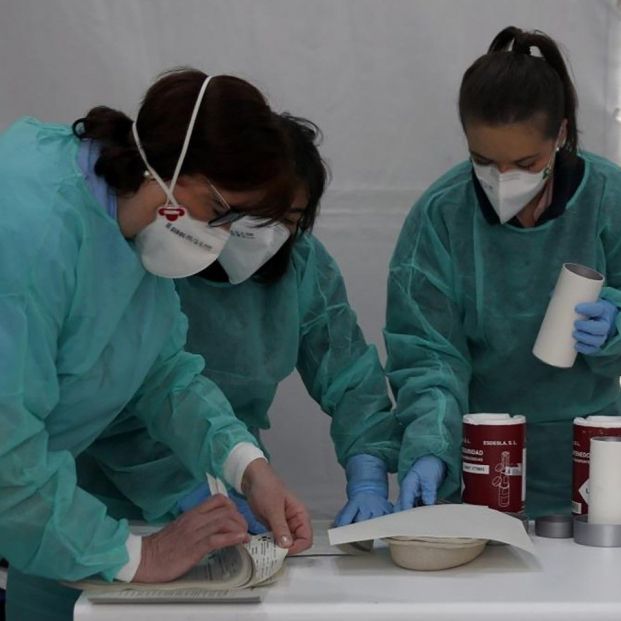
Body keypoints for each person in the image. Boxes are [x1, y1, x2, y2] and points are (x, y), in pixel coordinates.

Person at [0, 68, 312, 621]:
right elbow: (5, 447)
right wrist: (135, 556)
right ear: (166, 167)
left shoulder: (135, 234)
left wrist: (247, 465)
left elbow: (164, 374)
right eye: (220, 212)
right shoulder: (30, 229)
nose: (220, 236)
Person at [75, 113, 402, 531]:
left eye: (288, 219)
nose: (269, 234)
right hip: (103, 505)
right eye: (258, 214)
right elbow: (118, 403)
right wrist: (188, 494)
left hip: (235, 473)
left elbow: (350, 374)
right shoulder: (153, 257)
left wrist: (368, 474)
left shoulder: (300, 266)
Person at [386, 26, 621, 517]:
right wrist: (430, 445)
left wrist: (617, 325)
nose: (503, 181)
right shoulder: (442, 215)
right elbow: (428, 354)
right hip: (482, 458)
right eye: (483, 161)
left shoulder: (608, 199)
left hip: (596, 460)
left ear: (560, 133)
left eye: (525, 162)